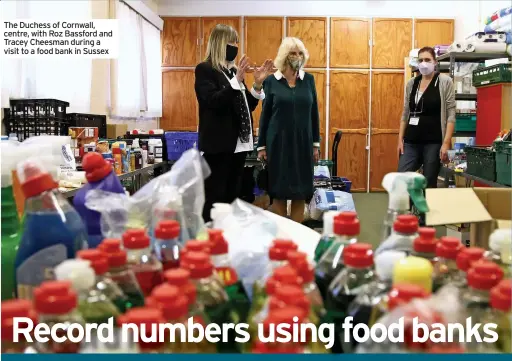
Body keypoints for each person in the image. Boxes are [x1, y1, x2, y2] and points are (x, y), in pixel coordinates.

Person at [195, 24, 273, 222]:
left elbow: (247, 106)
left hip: (238, 146)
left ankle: (227, 238)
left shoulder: (232, 72)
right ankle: (210, 238)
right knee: (214, 199)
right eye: (232, 42)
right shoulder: (205, 70)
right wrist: (236, 81)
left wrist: (256, 84)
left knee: (231, 198)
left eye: (237, 42)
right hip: (218, 146)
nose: (235, 46)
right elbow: (212, 101)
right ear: (219, 43)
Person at [257, 37, 321, 223]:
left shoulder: (308, 80)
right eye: (293, 52)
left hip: (303, 143)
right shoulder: (271, 81)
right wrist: (261, 145)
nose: (297, 56)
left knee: (300, 193)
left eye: (300, 53)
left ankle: (297, 238)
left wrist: (315, 144)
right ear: (285, 56)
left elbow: (314, 113)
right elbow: (265, 115)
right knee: (279, 192)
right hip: (278, 144)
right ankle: (282, 238)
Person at [398, 46, 456, 188]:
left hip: (433, 141)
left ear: (435, 62)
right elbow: (405, 112)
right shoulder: (412, 83)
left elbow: (451, 114)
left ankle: (424, 210)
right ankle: (411, 207)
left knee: (429, 181)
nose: (424, 63)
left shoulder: (444, 81)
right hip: (411, 141)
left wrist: (446, 142)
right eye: (421, 60)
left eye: (427, 60)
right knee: (402, 176)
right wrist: (400, 139)